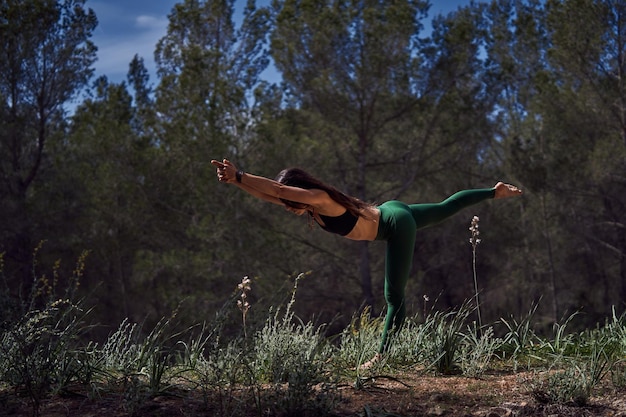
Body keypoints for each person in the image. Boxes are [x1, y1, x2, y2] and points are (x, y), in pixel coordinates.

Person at [211, 158, 522, 368]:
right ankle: (494, 191)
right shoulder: (309, 205)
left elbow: (277, 190)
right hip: (391, 210)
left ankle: (381, 357)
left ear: (300, 192)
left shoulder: (319, 198)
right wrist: (234, 183)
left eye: (292, 202)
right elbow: (273, 195)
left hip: (395, 225)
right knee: (445, 207)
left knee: (394, 297)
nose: (288, 207)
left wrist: (240, 175)